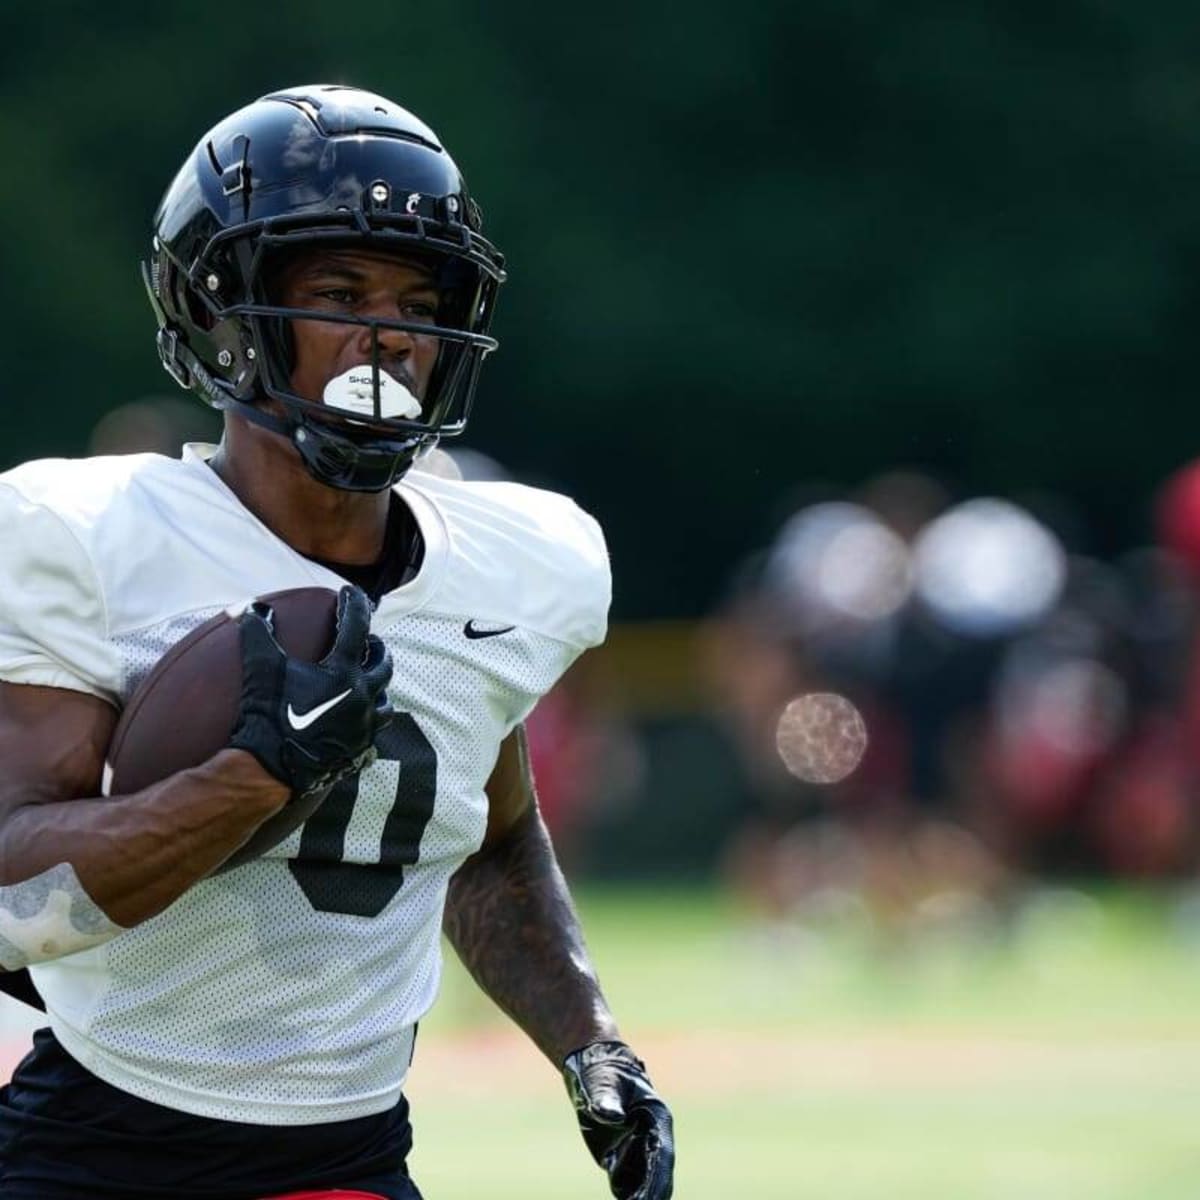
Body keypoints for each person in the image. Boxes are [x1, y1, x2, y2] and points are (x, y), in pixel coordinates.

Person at [0, 84, 674, 1200]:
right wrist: (245, 780)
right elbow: (13, 900)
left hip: (349, 1160)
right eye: (343, 292)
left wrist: (590, 1044)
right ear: (226, 311)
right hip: (94, 1152)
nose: (389, 332)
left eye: (418, 297)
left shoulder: (515, 561)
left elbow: (491, 844)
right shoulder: (89, 537)